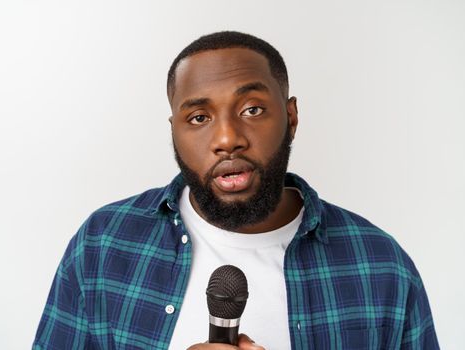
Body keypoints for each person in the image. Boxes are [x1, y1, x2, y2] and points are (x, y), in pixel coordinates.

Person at [33, 31, 439, 350]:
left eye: (252, 110)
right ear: (173, 131)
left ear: (291, 117)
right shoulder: (104, 245)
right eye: (198, 117)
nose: (227, 138)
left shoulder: (381, 266)